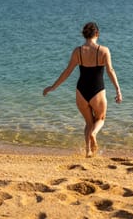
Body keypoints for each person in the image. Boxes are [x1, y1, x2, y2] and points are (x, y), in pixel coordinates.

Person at [43, 22, 122, 157]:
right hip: (97, 90)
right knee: (101, 118)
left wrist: (53, 87)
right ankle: (94, 134)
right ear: (97, 34)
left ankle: (88, 151)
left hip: (81, 91)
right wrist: (118, 91)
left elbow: (67, 72)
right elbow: (110, 71)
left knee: (88, 122)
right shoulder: (103, 50)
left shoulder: (78, 51)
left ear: (83, 35)